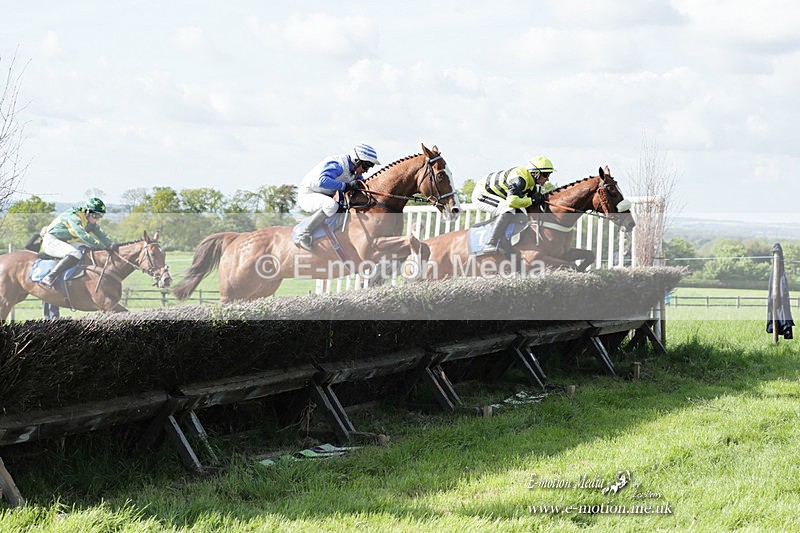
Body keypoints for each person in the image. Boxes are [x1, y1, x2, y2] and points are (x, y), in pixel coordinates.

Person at [293, 143, 381, 251]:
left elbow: (363, 185)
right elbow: (322, 181)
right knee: (331, 206)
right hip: (308, 195)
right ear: (357, 161)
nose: (366, 170)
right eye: (366, 166)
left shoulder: (355, 171)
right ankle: (303, 234)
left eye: (370, 167)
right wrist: (346, 186)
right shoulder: (338, 164)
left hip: (324, 195)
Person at [470, 155, 556, 254]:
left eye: (548, 175)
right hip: (482, 194)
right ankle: (490, 243)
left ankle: (505, 241)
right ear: (536, 173)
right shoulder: (519, 179)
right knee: (508, 209)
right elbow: (512, 202)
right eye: (545, 175)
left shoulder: (532, 184)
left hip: (498, 195)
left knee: (521, 215)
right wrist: (532, 200)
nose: (547, 179)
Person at [39, 197, 116, 287]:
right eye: (95, 215)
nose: (96, 219)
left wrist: (112, 245)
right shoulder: (74, 216)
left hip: (66, 242)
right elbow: (83, 235)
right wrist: (103, 246)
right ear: (87, 212)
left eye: (100, 216)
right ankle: (50, 276)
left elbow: (102, 235)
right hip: (51, 240)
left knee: (88, 250)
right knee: (75, 253)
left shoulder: (90, 221)